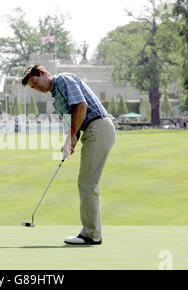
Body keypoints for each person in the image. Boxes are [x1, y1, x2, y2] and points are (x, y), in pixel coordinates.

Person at [22, 64, 117, 245]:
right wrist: (70, 142)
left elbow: (81, 106)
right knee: (86, 181)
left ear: (42, 73)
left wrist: (71, 136)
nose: (37, 88)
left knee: (87, 182)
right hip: (92, 131)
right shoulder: (57, 99)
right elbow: (74, 124)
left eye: (35, 82)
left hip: (98, 127)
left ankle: (91, 234)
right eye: (33, 87)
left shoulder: (64, 79)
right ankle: (91, 232)